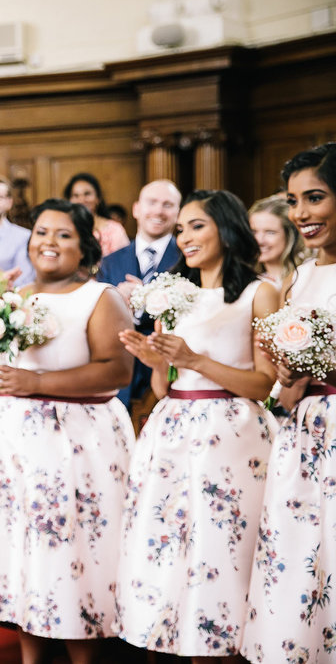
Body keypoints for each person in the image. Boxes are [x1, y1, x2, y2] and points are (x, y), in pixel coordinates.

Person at [0, 199, 135, 664]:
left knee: (66, 551)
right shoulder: (12, 296)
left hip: (73, 445)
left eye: (63, 234)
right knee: (22, 553)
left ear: (85, 245)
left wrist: (37, 383)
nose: (48, 242)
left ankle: (85, 656)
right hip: (8, 449)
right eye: (42, 233)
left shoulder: (100, 297)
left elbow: (117, 370)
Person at [115, 189, 279, 660]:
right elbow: (164, 388)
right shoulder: (172, 294)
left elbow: (262, 384)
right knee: (166, 548)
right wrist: (155, 360)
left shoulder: (258, 292)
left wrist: (194, 359)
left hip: (231, 436)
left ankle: (222, 648)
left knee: (221, 549)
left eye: (197, 225)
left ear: (226, 229)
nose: (184, 236)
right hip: (171, 432)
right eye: (181, 228)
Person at [243, 142, 336, 663]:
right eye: (293, 200)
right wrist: (284, 379)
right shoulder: (298, 278)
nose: (301, 213)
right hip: (304, 434)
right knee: (302, 559)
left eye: (315, 198)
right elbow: (285, 374)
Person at [98, 179, 183, 412]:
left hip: (168, 371)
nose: (158, 210)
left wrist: (145, 300)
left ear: (178, 213)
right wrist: (117, 300)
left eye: (167, 205)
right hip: (120, 373)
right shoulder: (110, 261)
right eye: (152, 203)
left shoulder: (187, 260)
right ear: (137, 209)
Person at [64, 172, 130, 256]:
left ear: (98, 198)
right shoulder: (64, 228)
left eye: (87, 194)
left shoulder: (114, 229)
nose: (81, 200)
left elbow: (124, 262)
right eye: (75, 195)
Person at [248, 194, 305, 287]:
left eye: (270, 232)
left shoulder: (305, 276)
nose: (259, 240)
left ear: (290, 235)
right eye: (254, 232)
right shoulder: (248, 282)